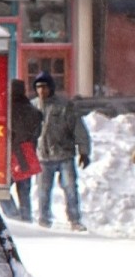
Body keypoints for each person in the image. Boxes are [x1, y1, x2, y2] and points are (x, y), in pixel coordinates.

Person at [33, 71, 90, 230]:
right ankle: (44, 220)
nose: (41, 91)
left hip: (64, 154)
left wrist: (84, 151)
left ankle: (74, 219)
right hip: (43, 156)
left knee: (70, 188)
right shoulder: (33, 106)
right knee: (43, 190)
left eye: (44, 87)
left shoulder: (64, 106)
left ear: (51, 88)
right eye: (38, 87)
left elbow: (79, 129)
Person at [6, 77, 43, 219]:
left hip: (10, 154)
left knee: (1, 190)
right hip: (27, 153)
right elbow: (37, 132)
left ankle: (13, 215)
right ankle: (26, 219)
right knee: (24, 192)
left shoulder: (6, 109)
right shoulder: (33, 110)